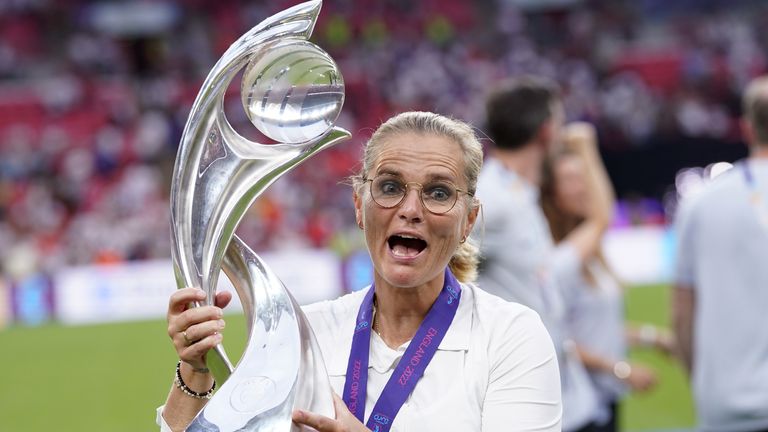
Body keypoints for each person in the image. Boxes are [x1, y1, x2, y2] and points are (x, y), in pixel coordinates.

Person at [159, 112, 563, 431]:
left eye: (438, 193)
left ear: (469, 220)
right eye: (389, 187)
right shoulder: (304, 336)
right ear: (358, 205)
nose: (410, 209)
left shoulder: (510, 337)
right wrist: (197, 368)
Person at [474, 76, 599, 431]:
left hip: (555, 391)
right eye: (558, 123)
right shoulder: (491, 199)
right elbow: (439, 273)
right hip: (517, 397)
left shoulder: (518, 193)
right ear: (545, 132)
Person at [540, 123, 673, 432]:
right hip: (578, 408)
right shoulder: (557, 259)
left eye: (583, 177)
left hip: (605, 399)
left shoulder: (590, 256)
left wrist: (652, 337)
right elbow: (557, 338)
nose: (584, 186)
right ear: (552, 192)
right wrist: (621, 369)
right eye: (571, 179)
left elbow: (593, 326)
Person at [673, 76, 768, 432]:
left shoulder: (701, 203)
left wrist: (705, 382)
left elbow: (682, 315)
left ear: (745, 128)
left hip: (725, 404)